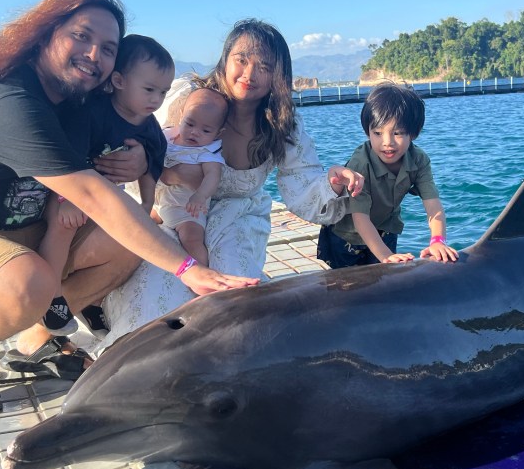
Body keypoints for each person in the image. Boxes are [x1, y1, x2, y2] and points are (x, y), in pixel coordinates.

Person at [0, 0, 258, 417]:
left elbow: (129, 133)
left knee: (129, 244)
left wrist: (139, 159)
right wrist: (189, 268)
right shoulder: (9, 100)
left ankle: (37, 341)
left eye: (108, 48)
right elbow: (92, 194)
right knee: (29, 284)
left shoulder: (74, 97)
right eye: (81, 36)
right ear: (43, 35)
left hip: (11, 228)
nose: (94, 54)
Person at [99, 18, 364, 347]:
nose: (249, 74)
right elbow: (135, 129)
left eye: (264, 66)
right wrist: (143, 160)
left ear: (278, 75)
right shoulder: (187, 98)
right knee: (158, 298)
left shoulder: (281, 123)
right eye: (242, 60)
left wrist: (332, 182)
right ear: (225, 59)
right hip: (173, 209)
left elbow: (302, 182)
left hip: (237, 217)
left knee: (233, 301)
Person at [38, 34, 172, 335]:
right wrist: (69, 200)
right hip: (67, 188)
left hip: (104, 197)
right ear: (120, 81)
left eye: (163, 92)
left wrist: (146, 204)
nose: (156, 100)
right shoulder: (92, 111)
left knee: (133, 232)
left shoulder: (149, 126)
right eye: (149, 89)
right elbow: (67, 158)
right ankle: (51, 293)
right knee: (62, 225)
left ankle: (92, 301)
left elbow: (153, 163)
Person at [317, 83, 458, 268]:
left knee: (386, 278)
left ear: (413, 133)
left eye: (397, 133)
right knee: (348, 283)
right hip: (346, 235)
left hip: (386, 229)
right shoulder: (360, 163)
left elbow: (433, 205)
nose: (387, 142)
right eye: (377, 133)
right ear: (367, 131)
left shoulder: (419, 160)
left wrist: (438, 241)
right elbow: (360, 217)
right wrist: (385, 255)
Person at [153, 85, 229, 267]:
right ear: (181, 116)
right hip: (159, 204)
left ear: (218, 133)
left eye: (206, 130)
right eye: (190, 124)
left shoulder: (207, 151)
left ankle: (203, 271)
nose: (195, 132)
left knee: (192, 239)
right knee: (138, 223)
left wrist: (200, 196)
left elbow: (213, 176)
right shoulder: (167, 137)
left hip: (187, 209)